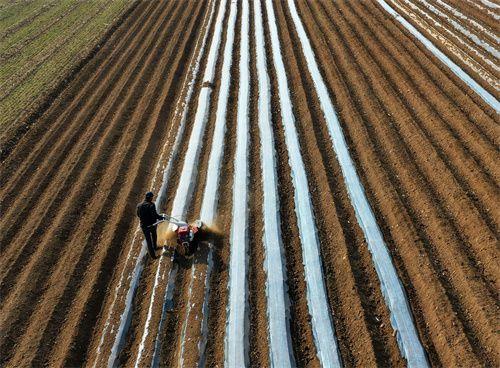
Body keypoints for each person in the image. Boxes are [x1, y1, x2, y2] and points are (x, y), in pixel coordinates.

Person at [137, 191, 165, 259]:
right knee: (154, 235)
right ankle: (155, 248)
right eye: (152, 197)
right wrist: (162, 218)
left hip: (144, 226)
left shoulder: (139, 205)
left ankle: (153, 256)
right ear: (150, 198)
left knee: (148, 240)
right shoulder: (151, 205)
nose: (152, 198)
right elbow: (155, 215)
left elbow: (138, 215)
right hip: (151, 225)